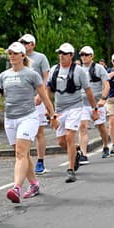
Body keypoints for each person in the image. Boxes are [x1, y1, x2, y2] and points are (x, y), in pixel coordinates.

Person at [0, 42, 56, 202]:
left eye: (15, 53)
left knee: (20, 153)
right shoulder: (3, 76)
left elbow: (44, 97)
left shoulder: (31, 74)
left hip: (28, 117)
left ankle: (16, 188)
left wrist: (52, 115)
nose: (11, 55)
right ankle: (34, 184)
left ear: (23, 56)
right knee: (22, 154)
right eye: (10, 53)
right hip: (10, 119)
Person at [47, 43, 99, 183]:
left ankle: (70, 170)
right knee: (61, 142)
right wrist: (50, 113)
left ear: (71, 55)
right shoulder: (54, 70)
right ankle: (76, 152)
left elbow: (88, 91)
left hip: (75, 108)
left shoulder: (79, 71)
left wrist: (95, 109)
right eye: (60, 53)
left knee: (70, 136)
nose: (61, 56)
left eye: (64, 53)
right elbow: (47, 91)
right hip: (59, 109)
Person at [19, 34, 51, 175]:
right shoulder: (19, 57)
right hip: (23, 99)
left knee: (39, 131)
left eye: (26, 43)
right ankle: (23, 160)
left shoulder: (40, 57)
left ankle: (40, 161)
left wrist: (41, 94)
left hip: (37, 97)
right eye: (22, 43)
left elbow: (46, 76)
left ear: (33, 44)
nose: (24, 45)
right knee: (22, 133)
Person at [77, 46, 111, 161]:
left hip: (97, 104)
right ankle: (83, 154)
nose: (84, 57)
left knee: (101, 127)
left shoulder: (99, 68)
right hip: (83, 104)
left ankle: (106, 145)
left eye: (86, 55)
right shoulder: (78, 69)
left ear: (92, 56)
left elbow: (106, 85)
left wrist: (103, 99)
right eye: (82, 55)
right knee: (82, 127)